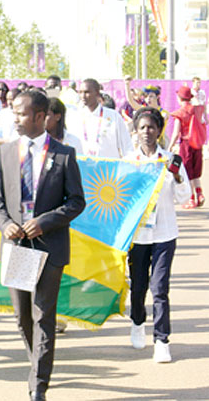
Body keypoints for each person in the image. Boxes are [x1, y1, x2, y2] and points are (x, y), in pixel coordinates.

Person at [0, 90, 85, 401]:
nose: (15, 118)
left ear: (40, 117)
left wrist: (45, 221)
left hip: (50, 247)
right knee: (22, 317)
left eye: (21, 113)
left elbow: (77, 202)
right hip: (17, 247)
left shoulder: (64, 154)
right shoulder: (4, 153)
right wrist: (6, 225)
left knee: (44, 314)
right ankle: (38, 364)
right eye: (13, 112)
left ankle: (38, 385)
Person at [125, 107, 191, 363]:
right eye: (142, 127)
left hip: (164, 233)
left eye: (151, 127)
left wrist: (176, 176)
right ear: (136, 131)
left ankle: (162, 340)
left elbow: (184, 198)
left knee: (160, 288)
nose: (147, 132)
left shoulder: (172, 160)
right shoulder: (130, 162)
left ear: (159, 130)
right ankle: (138, 322)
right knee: (139, 285)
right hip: (138, 236)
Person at [67, 78, 133, 158]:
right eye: (80, 92)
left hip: (109, 168)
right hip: (82, 166)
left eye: (87, 92)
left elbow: (127, 146)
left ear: (97, 93)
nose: (83, 96)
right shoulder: (74, 117)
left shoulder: (113, 116)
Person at [169, 85, 205, 209]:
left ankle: (191, 199)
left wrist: (170, 147)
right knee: (196, 172)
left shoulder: (180, 113)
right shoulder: (197, 109)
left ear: (179, 98)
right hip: (198, 144)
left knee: (187, 172)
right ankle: (200, 193)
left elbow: (175, 133)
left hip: (186, 144)